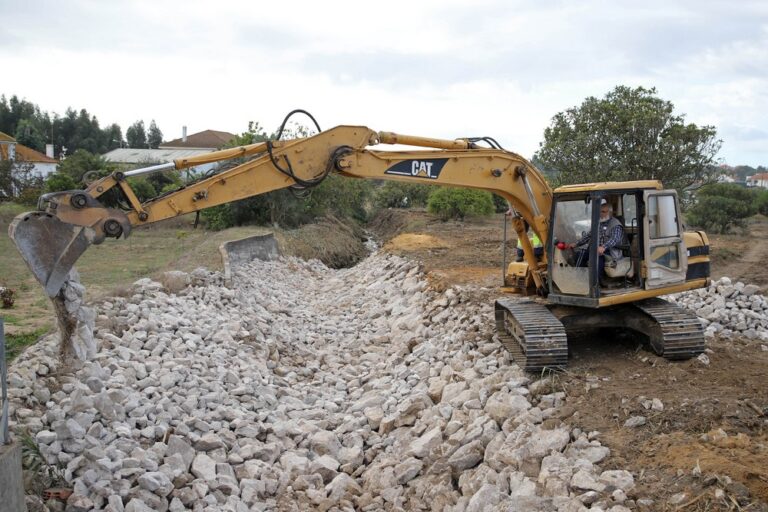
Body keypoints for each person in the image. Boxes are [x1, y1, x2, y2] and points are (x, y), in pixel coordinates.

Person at [569, 199, 624, 281]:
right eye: (600, 212)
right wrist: (576, 244)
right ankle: (580, 277)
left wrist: (604, 247)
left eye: (603, 212)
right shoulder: (599, 222)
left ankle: (596, 282)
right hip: (597, 249)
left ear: (610, 213)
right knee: (580, 253)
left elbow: (614, 239)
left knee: (597, 258)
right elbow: (589, 235)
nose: (601, 214)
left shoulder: (616, 224)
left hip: (610, 251)